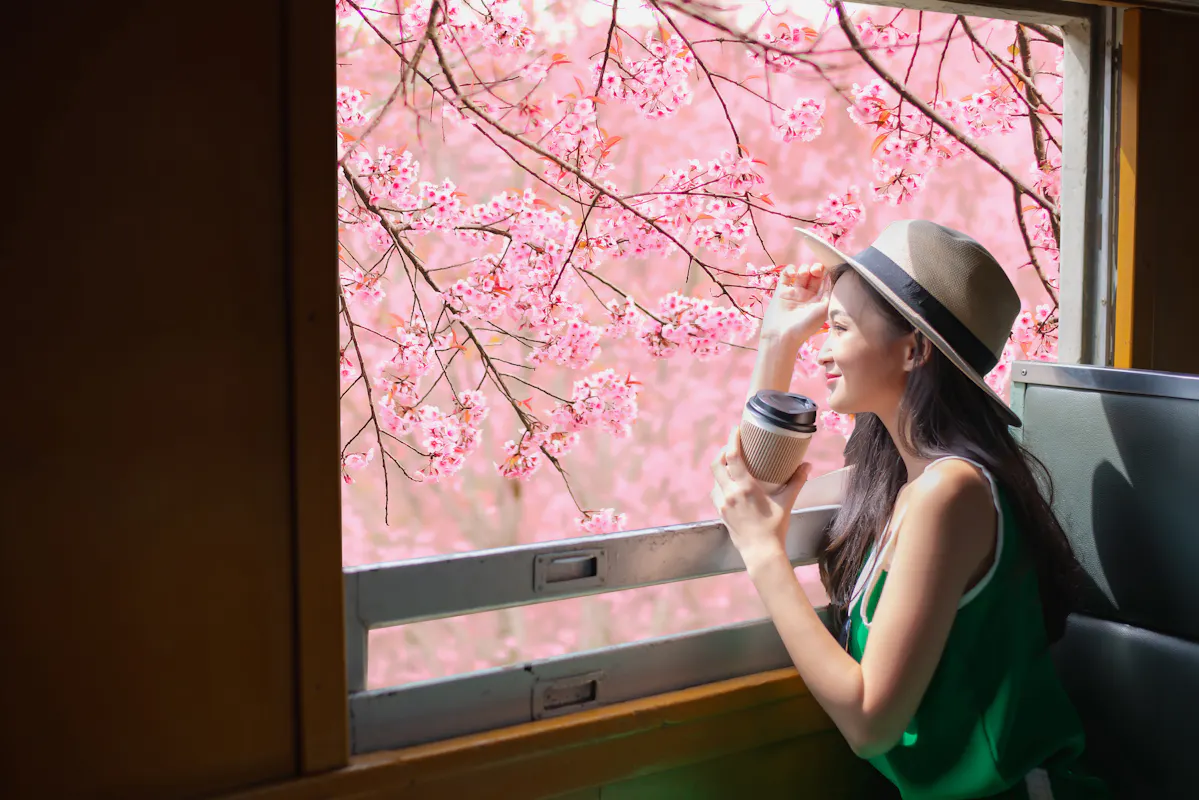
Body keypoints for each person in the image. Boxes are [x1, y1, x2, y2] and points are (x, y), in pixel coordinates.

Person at [709, 220, 1108, 799]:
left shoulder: (952, 494)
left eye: (838, 328)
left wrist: (764, 552)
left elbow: (871, 723)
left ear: (916, 348)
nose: (822, 347)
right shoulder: (903, 478)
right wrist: (778, 342)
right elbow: (754, 481)